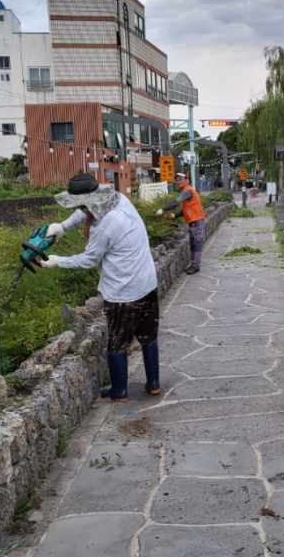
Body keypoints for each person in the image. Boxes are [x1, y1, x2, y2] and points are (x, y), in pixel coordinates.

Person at [39, 173, 162, 399]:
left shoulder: (104, 226)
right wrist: (63, 226)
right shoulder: (117, 199)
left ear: (88, 203)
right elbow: (83, 209)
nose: (82, 211)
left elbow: (89, 260)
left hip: (123, 294)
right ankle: (154, 384)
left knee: (116, 343)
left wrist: (57, 261)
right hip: (147, 283)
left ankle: (119, 390)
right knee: (148, 337)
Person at [155, 171, 206, 274]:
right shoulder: (187, 191)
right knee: (193, 244)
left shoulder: (188, 191)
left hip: (197, 221)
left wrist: (163, 209)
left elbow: (176, 202)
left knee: (196, 244)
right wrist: (175, 215)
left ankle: (195, 266)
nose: (178, 182)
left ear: (187, 180)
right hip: (194, 221)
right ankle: (193, 264)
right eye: (176, 180)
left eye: (180, 179)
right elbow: (186, 210)